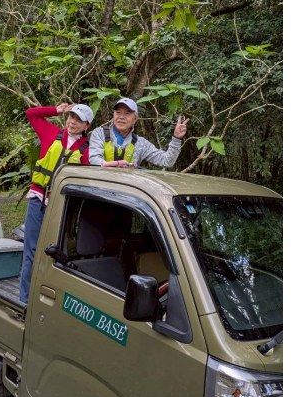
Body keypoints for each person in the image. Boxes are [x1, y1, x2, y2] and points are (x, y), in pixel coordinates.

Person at [18, 102, 94, 303]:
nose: (73, 122)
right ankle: (25, 300)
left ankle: (46, 297)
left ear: (87, 126)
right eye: (71, 117)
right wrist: (56, 110)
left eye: (79, 120)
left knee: (54, 252)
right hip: (38, 200)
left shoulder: (87, 150)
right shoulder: (51, 133)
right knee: (31, 250)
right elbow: (31, 114)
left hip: (62, 207)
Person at [88, 97, 188, 168]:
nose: (121, 117)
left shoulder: (140, 143)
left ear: (135, 119)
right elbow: (94, 160)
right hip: (101, 188)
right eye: (118, 112)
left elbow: (167, 161)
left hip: (127, 192)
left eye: (127, 113)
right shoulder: (99, 133)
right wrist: (118, 164)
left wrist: (176, 138)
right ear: (113, 115)